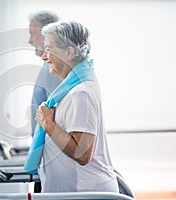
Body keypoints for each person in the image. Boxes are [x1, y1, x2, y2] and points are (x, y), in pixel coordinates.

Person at [35, 21, 119, 193]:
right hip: (76, 190)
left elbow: (82, 154)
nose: (44, 56)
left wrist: (47, 123)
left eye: (49, 49)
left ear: (69, 52)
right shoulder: (72, 89)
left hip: (85, 191)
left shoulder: (81, 93)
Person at [28, 11, 61, 133]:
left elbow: (59, 115)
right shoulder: (48, 65)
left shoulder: (55, 68)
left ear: (47, 33)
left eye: (32, 34)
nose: (30, 40)